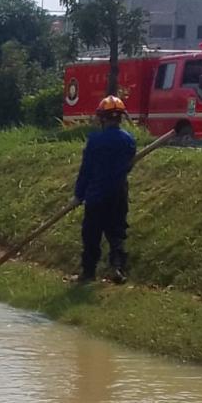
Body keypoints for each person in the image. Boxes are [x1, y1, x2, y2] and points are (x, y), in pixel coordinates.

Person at [71, 95, 136, 284]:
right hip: (119, 194)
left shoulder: (95, 140)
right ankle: (117, 268)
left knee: (91, 235)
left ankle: (89, 273)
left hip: (97, 194)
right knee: (116, 232)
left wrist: (78, 195)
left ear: (102, 118)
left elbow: (87, 169)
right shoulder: (129, 140)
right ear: (120, 118)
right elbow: (128, 166)